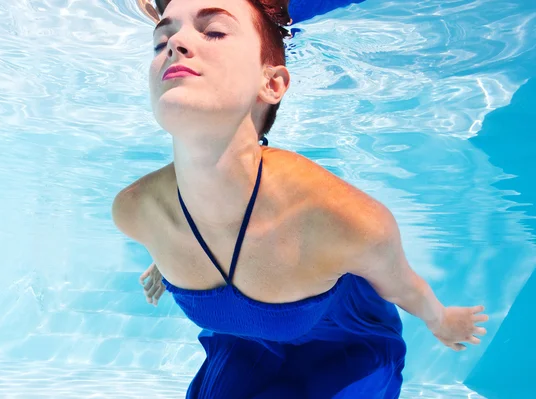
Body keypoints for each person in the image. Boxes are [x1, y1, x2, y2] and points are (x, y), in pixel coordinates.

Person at [114, 0, 488, 397]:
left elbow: (402, 287)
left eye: (215, 31)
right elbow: (212, 213)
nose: (176, 43)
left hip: (344, 347)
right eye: (161, 40)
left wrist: (441, 319)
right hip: (243, 344)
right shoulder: (138, 213)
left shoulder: (338, 217)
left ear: (272, 83)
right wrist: (167, 250)